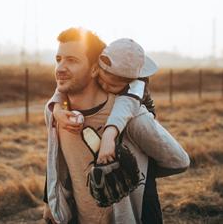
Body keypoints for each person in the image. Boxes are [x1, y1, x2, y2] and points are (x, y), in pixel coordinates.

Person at [43, 27, 190, 224]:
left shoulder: (132, 117)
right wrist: (50, 202)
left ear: (96, 68)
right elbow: (56, 159)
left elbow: (179, 161)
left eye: (72, 60)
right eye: (58, 59)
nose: (60, 68)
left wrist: (135, 175)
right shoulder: (57, 114)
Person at [53, 37, 158, 165]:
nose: (104, 86)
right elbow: (66, 85)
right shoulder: (108, 68)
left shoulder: (136, 88)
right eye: (101, 80)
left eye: (112, 86)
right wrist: (57, 108)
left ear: (128, 82)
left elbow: (125, 105)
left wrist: (109, 135)